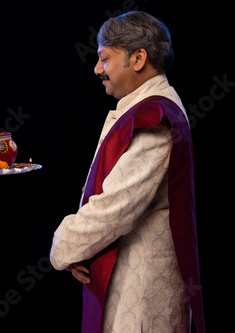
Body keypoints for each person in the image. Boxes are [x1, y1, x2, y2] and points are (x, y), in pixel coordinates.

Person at [49, 12, 205, 332]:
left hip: (144, 288)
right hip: (132, 272)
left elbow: (116, 207)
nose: (97, 69)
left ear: (138, 58)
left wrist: (64, 247)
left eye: (104, 58)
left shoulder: (155, 113)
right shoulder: (145, 105)